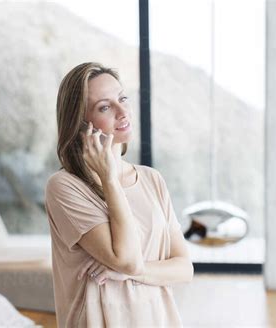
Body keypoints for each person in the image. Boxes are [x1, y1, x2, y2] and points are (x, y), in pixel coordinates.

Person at [44, 62, 193, 327]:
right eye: (105, 107)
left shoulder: (151, 179)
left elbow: (184, 268)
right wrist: (109, 178)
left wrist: (131, 274)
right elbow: (125, 258)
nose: (123, 112)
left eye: (122, 98)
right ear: (80, 125)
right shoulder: (64, 187)